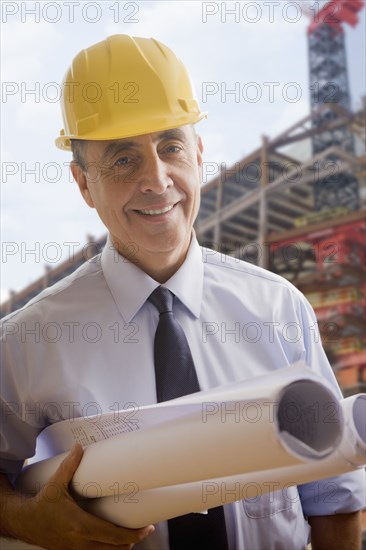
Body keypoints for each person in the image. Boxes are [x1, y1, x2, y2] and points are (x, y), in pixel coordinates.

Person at [0, 34, 364, 550]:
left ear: (198, 153)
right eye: (123, 158)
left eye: (170, 146)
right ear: (83, 184)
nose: (157, 179)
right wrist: (24, 519)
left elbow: (334, 498)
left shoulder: (279, 308)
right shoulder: (27, 342)